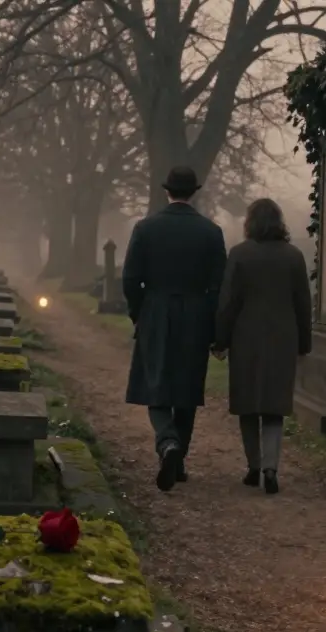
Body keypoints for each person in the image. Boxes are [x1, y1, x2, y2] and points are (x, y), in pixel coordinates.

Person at [122, 166, 227, 492]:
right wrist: (213, 328)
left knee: (155, 385)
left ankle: (167, 442)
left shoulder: (146, 228)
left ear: (167, 191)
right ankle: (178, 460)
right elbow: (218, 286)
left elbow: (129, 279)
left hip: (156, 310)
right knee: (186, 389)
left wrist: (139, 312)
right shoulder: (211, 232)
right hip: (195, 314)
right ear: (193, 192)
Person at [212, 198, 312, 495]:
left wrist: (220, 339)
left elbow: (228, 302)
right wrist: (304, 343)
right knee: (273, 407)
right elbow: (303, 304)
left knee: (247, 405)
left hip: (246, 338)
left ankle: (253, 465)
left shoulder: (240, 254)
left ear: (250, 223)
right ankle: (271, 467)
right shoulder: (294, 256)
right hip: (282, 338)